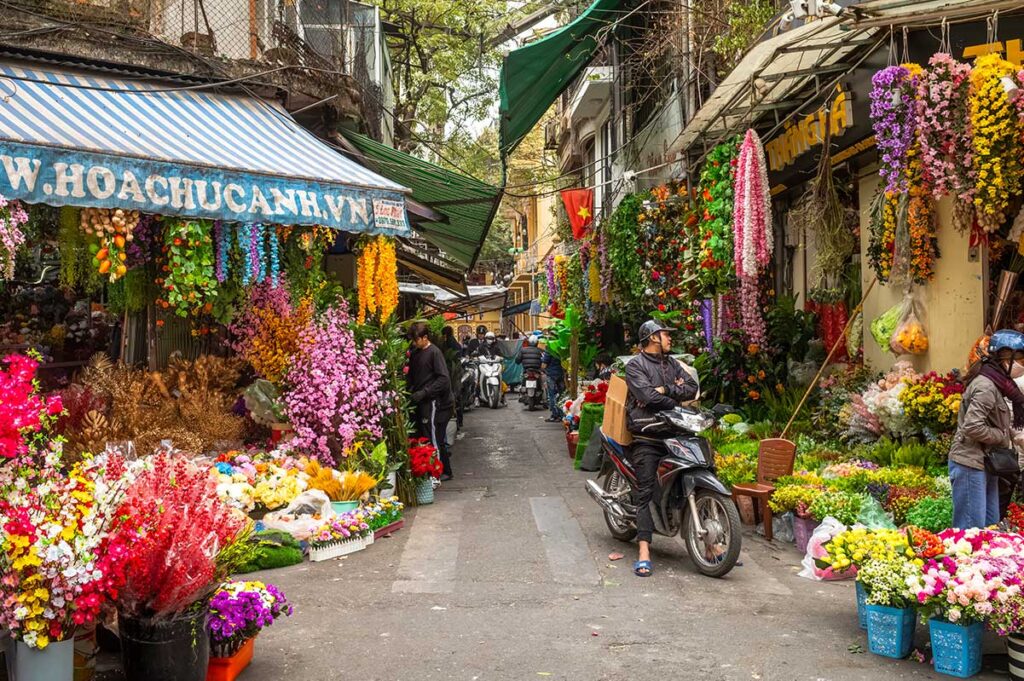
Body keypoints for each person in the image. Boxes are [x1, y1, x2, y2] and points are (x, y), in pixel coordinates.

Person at [625, 320, 699, 577]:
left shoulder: (672, 363)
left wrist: (667, 388)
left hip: (674, 432)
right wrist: (675, 398)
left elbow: (692, 387)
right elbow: (647, 398)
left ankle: (709, 546)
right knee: (645, 490)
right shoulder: (635, 365)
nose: (670, 338)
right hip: (647, 435)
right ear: (653, 337)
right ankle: (644, 551)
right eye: (666, 334)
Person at [949, 329, 1024, 529]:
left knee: (990, 530)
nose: (1022, 366)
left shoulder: (997, 383)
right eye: (1021, 360)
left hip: (986, 463)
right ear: (1005, 359)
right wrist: (1002, 435)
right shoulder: (986, 387)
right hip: (970, 464)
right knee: (971, 532)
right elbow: (972, 427)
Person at [407, 322, 455, 481]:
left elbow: (443, 380)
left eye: (416, 340)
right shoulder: (415, 352)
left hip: (436, 403)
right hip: (423, 401)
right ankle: (442, 470)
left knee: (434, 437)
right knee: (429, 436)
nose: (414, 343)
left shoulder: (434, 353)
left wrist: (425, 392)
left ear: (425, 338)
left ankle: (437, 473)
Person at [441, 326, 465, 430]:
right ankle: (459, 421)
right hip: (456, 372)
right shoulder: (454, 343)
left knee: (454, 397)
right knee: (457, 396)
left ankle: (457, 421)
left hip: (453, 374)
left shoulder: (448, 344)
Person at [540, 342, 565, 422]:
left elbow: (544, 364)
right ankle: (562, 414)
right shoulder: (561, 348)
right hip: (561, 374)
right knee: (561, 395)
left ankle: (555, 415)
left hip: (551, 375)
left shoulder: (549, 350)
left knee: (552, 395)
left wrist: (543, 369)